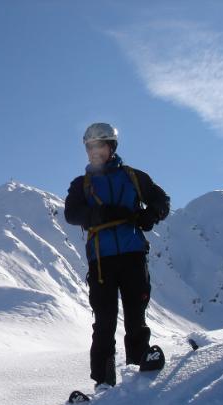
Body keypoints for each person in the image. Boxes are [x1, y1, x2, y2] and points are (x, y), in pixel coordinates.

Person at [64, 122, 170, 390]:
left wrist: (151, 214)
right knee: (104, 321)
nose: (94, 152)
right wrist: (96, 215)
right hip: (101, 261)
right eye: (90, 147)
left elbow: (161, 200)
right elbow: (71, 214)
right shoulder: (82, 184)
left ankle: (139, 366)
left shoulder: (133, 177)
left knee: (136, 313)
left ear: (111, 147)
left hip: (133, 254)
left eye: (99, 146)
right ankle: (103, 380)